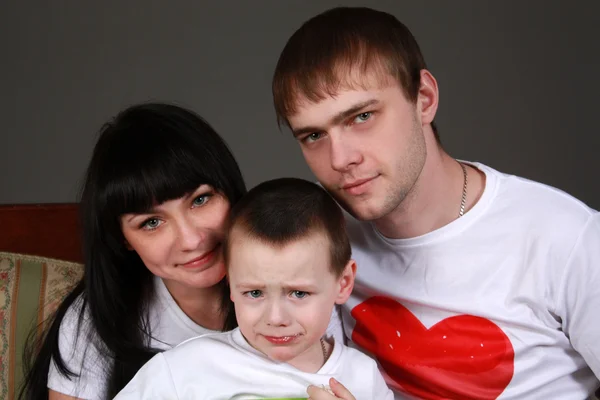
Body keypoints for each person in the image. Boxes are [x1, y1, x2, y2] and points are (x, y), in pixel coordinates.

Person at [272, 6, 600, 400]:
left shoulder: (566, 237)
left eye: (361, 116)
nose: (340, 159)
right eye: (312, 136)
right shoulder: (321, 241)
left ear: (424, 99)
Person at [20, 102, 247, 399]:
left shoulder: (302, 280)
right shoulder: (99, 319)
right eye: (152, 222)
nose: (191, 240)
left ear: (229, 190)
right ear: (123, 238)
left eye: (201, 200)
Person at [114, 178, 394, 399]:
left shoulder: (362, 378)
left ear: (342, 283)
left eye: (298, 293)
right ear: (231, 284)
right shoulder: (185, 368)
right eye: (255, 293)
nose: (275, 318)